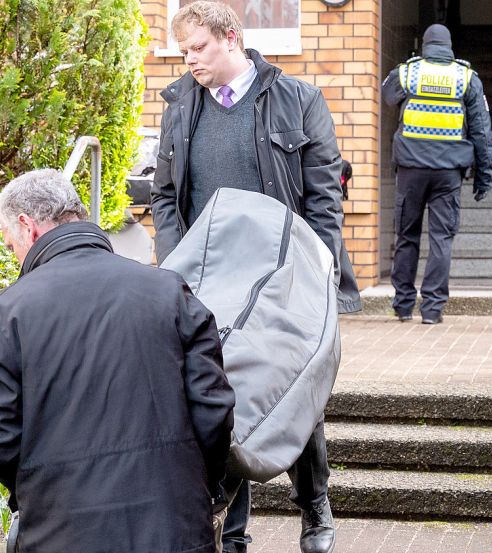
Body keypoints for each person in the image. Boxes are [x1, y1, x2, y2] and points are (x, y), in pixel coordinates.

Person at [151, 3, 361, 553]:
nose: (190, 59)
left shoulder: (297, 100)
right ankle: (234, 533)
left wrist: (317, 268)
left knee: (293, 393)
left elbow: (323, 197)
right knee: (217, 400)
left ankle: (315, 507)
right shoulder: (179, 107)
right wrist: (174, 270)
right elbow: (165, 197)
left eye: (198, 47)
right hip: (207, 279)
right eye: (183, 51)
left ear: (231, 38)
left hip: (278, 277)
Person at [0, 169, 235, 552]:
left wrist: (43, 489)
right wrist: (193, 484)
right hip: (174, 527)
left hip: (61, 533)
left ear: (27, 227)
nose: (15, 256)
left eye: (12, 246)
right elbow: (214, 409)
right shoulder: (169, 291)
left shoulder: (6, 314)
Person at [381, 23, 492, 325]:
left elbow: (388, 95)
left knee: (407, 236)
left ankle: (403, 305)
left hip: (411, 169)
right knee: (442, 239)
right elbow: (482, 131)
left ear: (426, 45)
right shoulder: (466, 77)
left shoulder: (408, 72)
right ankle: (432, 309)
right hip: (448, 173)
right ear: (449, 46)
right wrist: (484, 176)